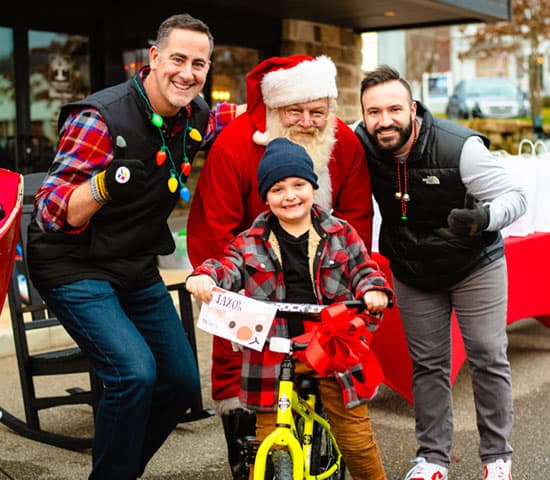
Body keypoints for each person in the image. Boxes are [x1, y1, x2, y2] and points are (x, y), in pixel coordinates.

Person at [26, 13, 231, 480]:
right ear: (154, 57)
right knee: (134, 373)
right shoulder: (100, 117)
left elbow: (245, 117)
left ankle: (119, 471)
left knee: (179, 382)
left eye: (199, 64)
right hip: (73, 263)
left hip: (133, 263)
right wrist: (101, 186)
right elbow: (50, 211)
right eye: (178, 59)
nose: (188, 72)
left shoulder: (197, 114)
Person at [187, 54, 375, 479]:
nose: (308, 121)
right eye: (295, 110)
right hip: (254, 286)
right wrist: (222, 290)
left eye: (317, 111)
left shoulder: (344, 142)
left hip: (326, 286)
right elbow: (212, 230)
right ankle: (250, 457)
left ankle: (344, 451)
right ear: (273, 108)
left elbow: (357, 223)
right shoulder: (235, 144)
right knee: (242, 370)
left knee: (344, 375)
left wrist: (357, 291)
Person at [354, 65, 527, 480]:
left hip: (473, 264)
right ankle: (432, 459)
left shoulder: (458, 147)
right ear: (362, 115)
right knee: (428, 364)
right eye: (373, 112)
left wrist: (484, 217)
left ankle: (496, 458)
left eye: (394, 109)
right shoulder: (360, 142)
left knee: (487, 355)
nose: (384, 121)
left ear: (412, 109)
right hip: (413, 268)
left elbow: (515, 196)